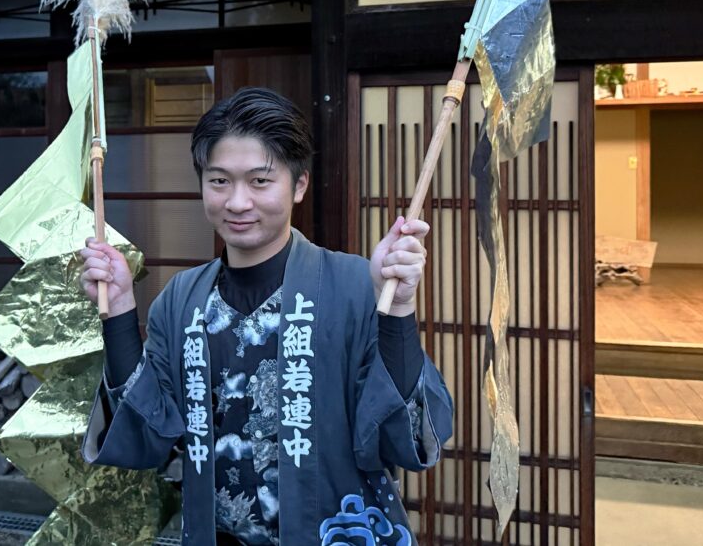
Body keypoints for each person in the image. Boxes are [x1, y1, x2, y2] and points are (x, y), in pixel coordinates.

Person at [79, 87, 453, 546]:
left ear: (299, 185)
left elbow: (403, 439)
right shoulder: (180, 300)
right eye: (219, 181)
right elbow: (144, 437)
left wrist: (397, 307)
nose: (237, 202)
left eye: (260, 181)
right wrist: (119, 308)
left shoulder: (355, 284)